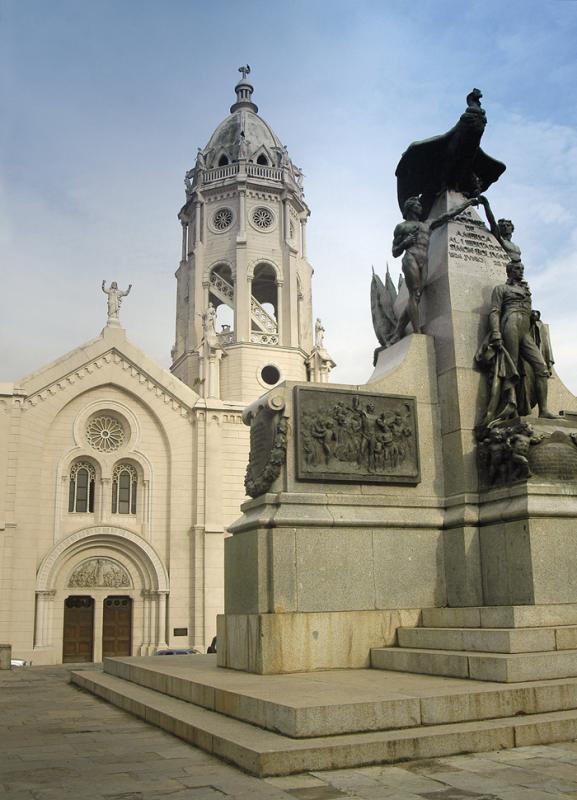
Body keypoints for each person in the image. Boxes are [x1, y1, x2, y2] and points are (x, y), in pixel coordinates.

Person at [477, 260, 556, 425]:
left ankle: (544, 410)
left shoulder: (526, 290)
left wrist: (533, 314)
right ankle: (508, 409)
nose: (521, 271)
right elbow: (495, 312)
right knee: (510, 368)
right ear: (509, 271)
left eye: (522, 269)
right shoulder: (501, 289)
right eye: (517, 269)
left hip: (525, 330)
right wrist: (496, 333)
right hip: (510, 325)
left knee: (541, 368)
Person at [392, 195, 480, 338]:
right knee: (414, 293)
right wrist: (405, 243)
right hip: (410, 258)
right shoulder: (402, 227)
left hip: (424, 261)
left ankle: (397, 332)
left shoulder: (427, 224)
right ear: (410, 208)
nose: (420, 207)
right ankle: (417, 332)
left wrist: (469, 202)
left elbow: (448, 214)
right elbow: (395, 252)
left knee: (417, 296)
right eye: (417, 205)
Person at [477, 196, 521, 263]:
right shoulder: (500, 240)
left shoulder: (517, 247)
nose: (506, 227)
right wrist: (486, 205)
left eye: (508, 225)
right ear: (499, 229)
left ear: (512, 228)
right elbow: (492, 222)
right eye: (503, 226)